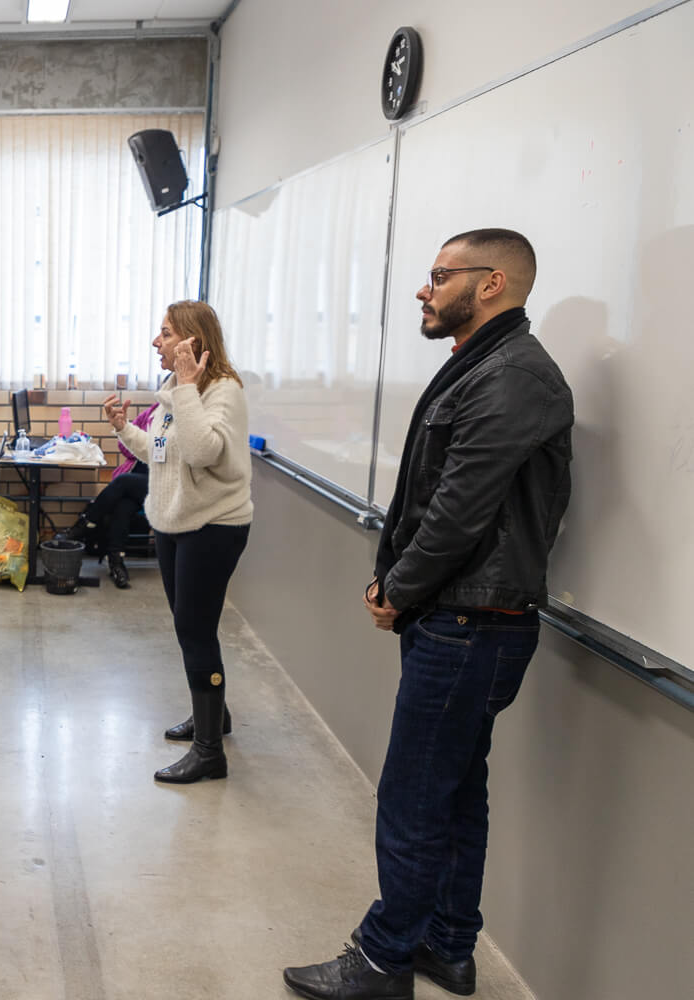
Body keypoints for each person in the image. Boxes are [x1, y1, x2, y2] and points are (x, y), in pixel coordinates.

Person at [283, 230, 573, 1000]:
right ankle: (446, 945)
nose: (424, 288)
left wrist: (398, 589)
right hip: (468, 617)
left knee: (413, 794)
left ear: (493, 284)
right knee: (452, 788)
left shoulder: (514, 376)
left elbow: (458, 509)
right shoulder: (484, 367)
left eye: (440, 276)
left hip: (471, 622)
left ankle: (382, 961)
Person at [105, 300, 252, 785]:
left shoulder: (221, 392)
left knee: (195, 631)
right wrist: (123, 429)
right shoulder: (177, 390)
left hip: (212, 528)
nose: (156, 342)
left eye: (165, 333)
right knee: (193, 628)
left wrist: (188, 389)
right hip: (174, 524)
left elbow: (205, 451)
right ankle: (216, 716)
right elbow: (164, 452)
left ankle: (209, 752)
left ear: (192, 341)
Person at [63, 405, 156, 589]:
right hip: (139, 483)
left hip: (161, 482)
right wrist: (124, 428)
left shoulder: (174, 417)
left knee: (122, 482)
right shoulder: (152, 412)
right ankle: (116, 562)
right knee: (122, 506)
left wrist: (149, 444)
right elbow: (126, 448)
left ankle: (85, 524)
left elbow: (162, 456)